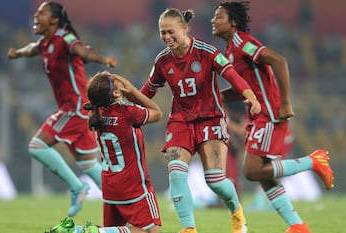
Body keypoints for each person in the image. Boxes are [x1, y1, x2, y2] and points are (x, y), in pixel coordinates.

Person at [210, 2, 334, 232]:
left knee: (251, 170)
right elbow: (243, 89)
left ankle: (314, 161)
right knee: (264, 175)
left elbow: (278, 60)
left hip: (269, 113)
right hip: (258, 114)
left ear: (233, 22)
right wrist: (217, 96)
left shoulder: (242, 43)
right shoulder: (229, 51)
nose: (213, 20)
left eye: (219, 16)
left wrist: (286, 102)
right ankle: (298, 226)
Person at [140, 8, 261, 233]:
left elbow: (232, 74)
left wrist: (250, 96)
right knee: (176, 174)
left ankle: (237, 213)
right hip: (180, 121)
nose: (166, 37)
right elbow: (148, 90)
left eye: (171, 32)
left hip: (211, 119)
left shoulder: (207, 52)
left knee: (215, 180)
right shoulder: (162, 61)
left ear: (185, 29)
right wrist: (130, 109)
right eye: (162, 33)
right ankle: (189, 229)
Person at [7, 1, 117, 217]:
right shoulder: (44, 43)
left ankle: (77, 188)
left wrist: (102, 58)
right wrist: (18, 53)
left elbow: (82, 50)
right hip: (77, 108)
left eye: (42, 13)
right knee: (88, 165)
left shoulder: (64, 38)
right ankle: (124, 202)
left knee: (36, 146)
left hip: (74, 107)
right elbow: (31, 49)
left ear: (55, 20)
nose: (36, 17)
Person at [46, 71, 163, 233]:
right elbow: (157, 113)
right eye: (116, 80)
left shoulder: (97, 113)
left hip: (110, 185)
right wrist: (133, 90)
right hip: (133, 185)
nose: (120, 80)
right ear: (115, 92)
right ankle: (94, 231)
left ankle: (74, 231)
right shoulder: (127, 112)